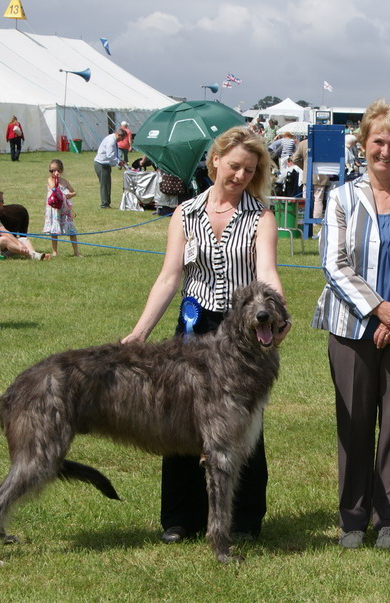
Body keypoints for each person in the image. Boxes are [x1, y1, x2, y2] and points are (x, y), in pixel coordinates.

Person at [122, 126, 287, 544]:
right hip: (193, 329)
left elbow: (266, 273)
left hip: (243, 334)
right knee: (178, 421)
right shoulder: (185, 214)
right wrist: (140, 333)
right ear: (215, 160)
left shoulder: (260, 217)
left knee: (242, 427)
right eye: (234, 166)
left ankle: (245, 519)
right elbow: (169, 278)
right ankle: (180, 518)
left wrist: (277, 317)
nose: (239, 176)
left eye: (249, 171)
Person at [312, 99, 390, 550]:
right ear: (363, 143)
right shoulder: (341, 197)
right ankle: (353, 518)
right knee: (354, 422)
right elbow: (333, 262)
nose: (385, 151)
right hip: (350, 325)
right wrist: (377, 309)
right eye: (377, 141)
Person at [43, 159, 81, 257]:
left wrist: (69, 195)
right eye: (51, 171)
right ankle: (55, 251)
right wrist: (56, 179)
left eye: (56, 170)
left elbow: (74, 192)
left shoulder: (65, 182)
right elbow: (54, 189)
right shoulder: (50, 180)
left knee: (71, 229)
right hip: (54, 208)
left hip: (64, 208)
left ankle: (76, 251)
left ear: (61, 170)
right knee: (54, 230)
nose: (54, 173)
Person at [94, 129, 126, 208]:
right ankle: (104, 204)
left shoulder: (113, 139)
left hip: (106, 164)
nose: (122, 140)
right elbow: (110, 155)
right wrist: (118, 162)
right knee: (104, 185)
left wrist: (118, 161)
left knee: (108, 184)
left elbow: (113, 154)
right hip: (101, 164)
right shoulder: (111, 141)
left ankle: (107, 203)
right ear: (119, 135)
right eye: (122, 138)